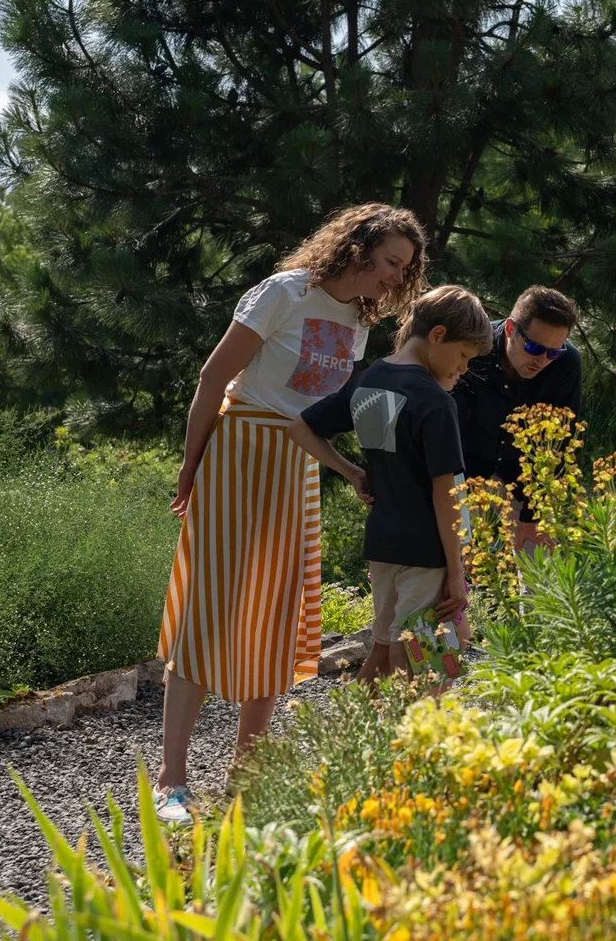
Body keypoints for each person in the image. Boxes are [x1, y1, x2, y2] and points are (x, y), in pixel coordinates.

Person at [155, 203, 427, 824]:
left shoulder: (359, 318)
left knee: (279, 612)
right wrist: (191, 464)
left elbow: (340, 407)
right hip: (238, 450)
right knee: (210, 606)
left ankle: (247, 772)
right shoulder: (284, 292)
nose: (395, 276)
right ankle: (173, 779)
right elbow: (212, 378)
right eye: (390, 261)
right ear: (356, 247)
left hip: (297, 466)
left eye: (404, 268)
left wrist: (365, 470)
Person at [287, 286, 491, 684]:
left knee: (386, 647)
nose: (464, 368)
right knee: (425, 658)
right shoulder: (434, 401)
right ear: (437, 336)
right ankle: (413, 740)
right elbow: (444, 492)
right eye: (464, 355)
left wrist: (351, 472)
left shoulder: (369, 380)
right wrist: (456, 571)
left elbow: (300, 428)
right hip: (426, 553)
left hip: (382, 546)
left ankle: (357, 738)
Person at [451, 286, 583, 551]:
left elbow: (559, 443)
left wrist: (532, 516)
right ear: (510, 329)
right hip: (464, 467)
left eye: (554, 352)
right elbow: (444, 425)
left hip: (526, 473)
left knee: (540, 564)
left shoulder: (566, 365)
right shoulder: (473, 349)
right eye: (534, 347)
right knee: (447, 561)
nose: (543, 361)